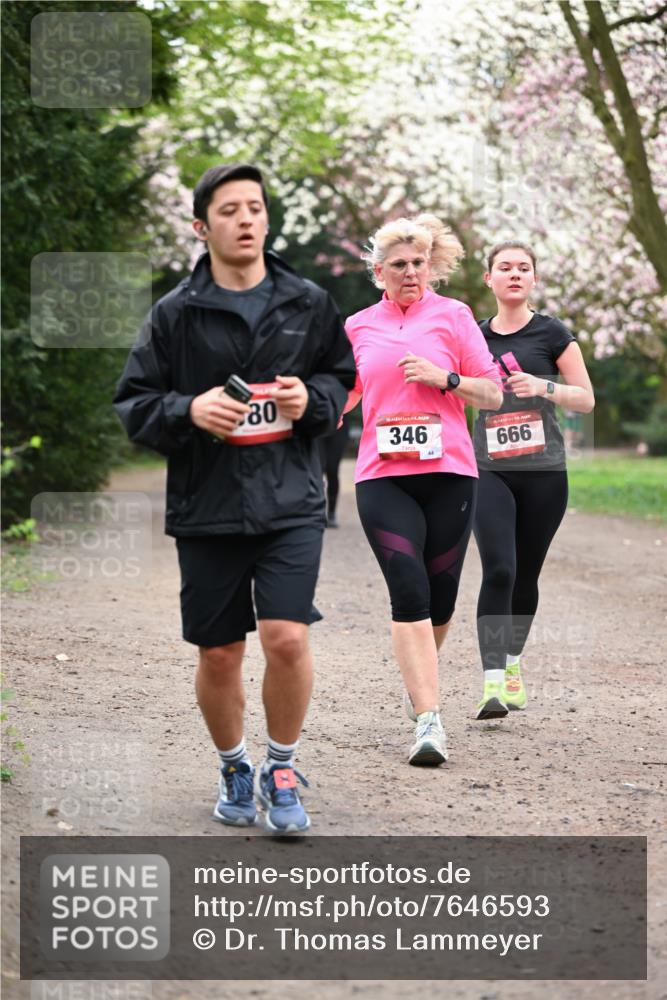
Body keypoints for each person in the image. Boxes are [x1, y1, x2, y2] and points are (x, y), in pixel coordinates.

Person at [113, 163, 355, 833]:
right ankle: (233, 764)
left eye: (255, 207)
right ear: (202, 226)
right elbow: (133, 402)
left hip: (291, 499)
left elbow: (340, 377)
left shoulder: (308, 302)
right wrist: (189, 410)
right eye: (229, 210)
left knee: (284, 637)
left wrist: (316, 399)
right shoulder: (174, 313)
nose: (246, 218)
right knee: (220, 652)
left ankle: (281, 768)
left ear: (267, 220)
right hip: (208, 503)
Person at [344, 214, 503, 766]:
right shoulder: (358, 325)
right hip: (383, 477)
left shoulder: (454, 316)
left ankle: (420, 682)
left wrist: (447, 379)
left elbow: (493, 394)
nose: (411, 273)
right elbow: (342, 393)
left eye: (419, 263)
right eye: (399, 265)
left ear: (431, 266)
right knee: (407, 589)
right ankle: (429, 720)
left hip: (449, 475)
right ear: (378, 271)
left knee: (440, 599)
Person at [472, 241, 595, 719]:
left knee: (525, 574)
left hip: (544, 471)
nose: (515, 274)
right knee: (499, 568)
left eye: (524, 268)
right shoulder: (473, 335)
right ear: (490, 279)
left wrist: (542, 386)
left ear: (534, 279)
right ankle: (491, 684)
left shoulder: (553, 333)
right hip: (489, 468)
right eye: (505, 267)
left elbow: (585, 399)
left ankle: (514, 662)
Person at [318, 414, 351, 527]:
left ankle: (331, 513)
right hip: (318, 425)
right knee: (318, 470)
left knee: (332, 469)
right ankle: (318, 513)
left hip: (339, 427)